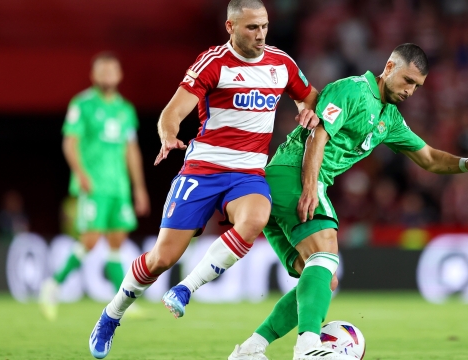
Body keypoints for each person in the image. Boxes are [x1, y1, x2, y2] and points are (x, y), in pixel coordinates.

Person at [88, 0, 320, 358]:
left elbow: (311, 99)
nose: (260, 35)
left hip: (248, 172)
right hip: (203, 170)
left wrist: (308, 112)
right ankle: (112, 313)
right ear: (230, 27)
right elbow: (172, 113)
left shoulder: (281, 63)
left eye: (264, 26)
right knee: (161, 259)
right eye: (251, 28)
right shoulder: (213, 62)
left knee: (256, 217)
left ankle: (185, 289)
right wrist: (168, 135)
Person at [228, 44, 468, 360]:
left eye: (417, 87)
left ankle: (251, 349)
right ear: (389, 67)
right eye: (407, 80)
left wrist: (465, 164)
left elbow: (430, 158)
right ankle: (308, 346)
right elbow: (318, 135)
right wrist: (310, 187)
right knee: (325, 255)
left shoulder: (389, 119)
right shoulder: (351, 90)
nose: (410, 91)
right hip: (293, 174)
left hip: (283, 185)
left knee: (323, 277)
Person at [39, 52, 150, 321]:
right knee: (90, 240)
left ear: (120, 75)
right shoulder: (83, 104)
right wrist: (81, 174)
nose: (108, 75)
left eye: (112, 70)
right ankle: (52, 286)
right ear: (94, 76)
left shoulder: (126, 110)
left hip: (119, 187)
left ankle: (122, 302)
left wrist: (139, 188)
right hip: (93, 185)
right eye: (103, 71)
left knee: (117, 242)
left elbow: (131, 150)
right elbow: (70, 142)